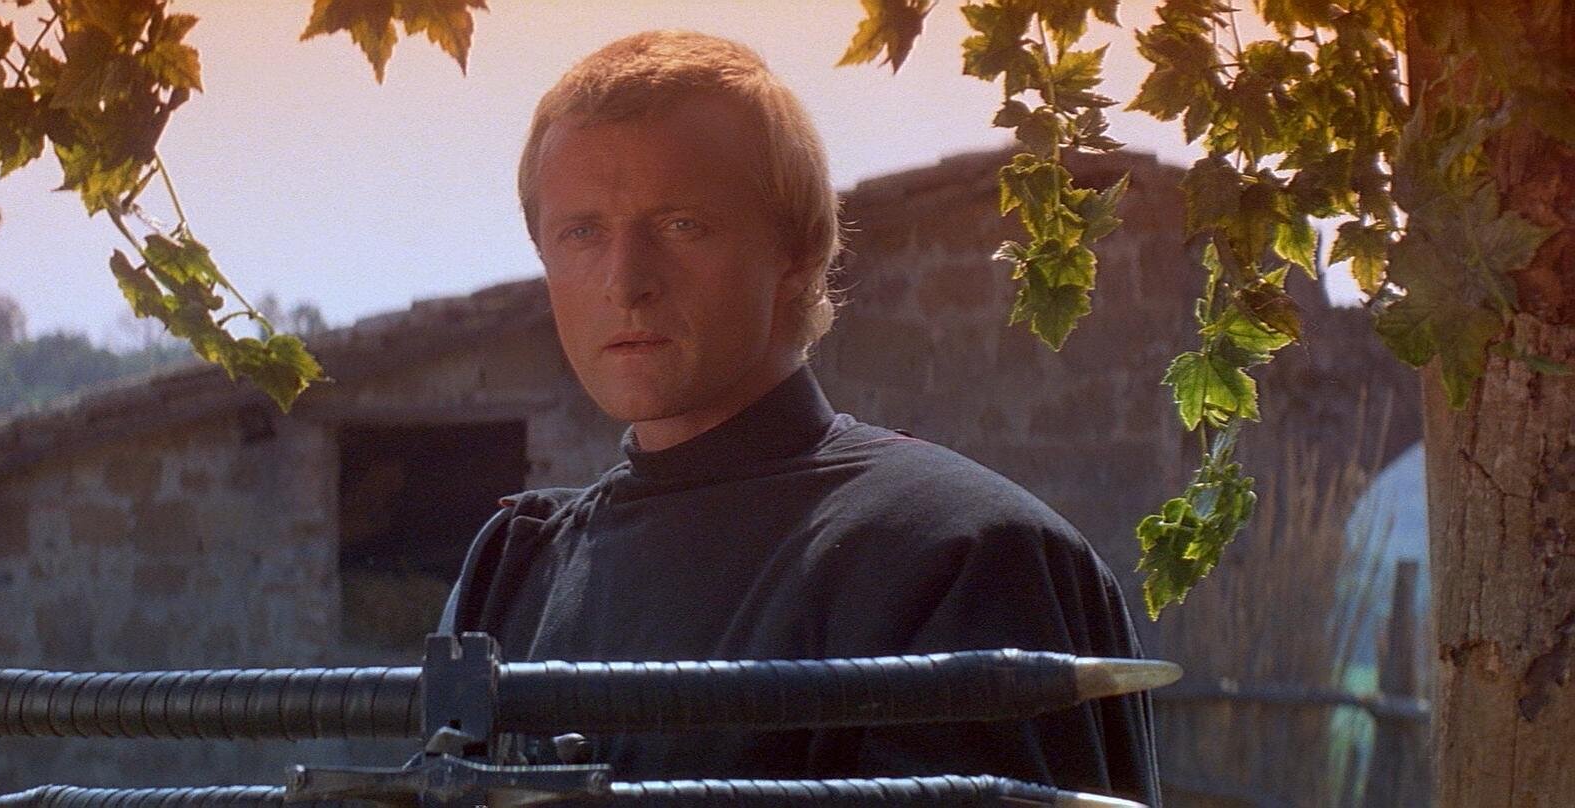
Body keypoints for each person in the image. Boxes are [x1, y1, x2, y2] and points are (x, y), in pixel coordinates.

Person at [438, 30, 1161, 805]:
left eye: (681, 225)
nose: (625, 281)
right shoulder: (517, 569)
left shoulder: (963, 553)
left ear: (797, 251)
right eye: (582, 232)